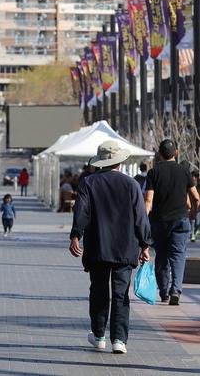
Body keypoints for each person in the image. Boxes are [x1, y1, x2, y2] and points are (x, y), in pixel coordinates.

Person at [70, 140, 151, 355]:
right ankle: (119, 339)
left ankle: (99, 336)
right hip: (125, 248)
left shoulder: (89, 183)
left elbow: (81, 212)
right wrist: (145, 244)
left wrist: (76, 235)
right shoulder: (131, 184)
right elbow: (140, 217)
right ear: (120, 162)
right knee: (120, 294)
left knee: (98, 291)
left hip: (98, 247)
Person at [144, 139, 200, 305]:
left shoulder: (153, 173)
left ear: (159, 154)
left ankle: (163, 292)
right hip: (180, 220)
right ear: (176, 153)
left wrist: (143, 220)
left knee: (161, 256)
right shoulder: (185, 172)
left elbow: (149, 200)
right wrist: (192, 213)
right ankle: (175, 289)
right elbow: (196, 197)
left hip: (159, 222)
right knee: (178, 255)